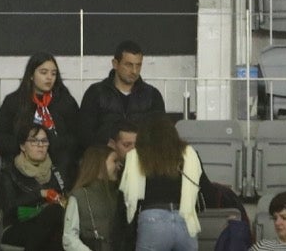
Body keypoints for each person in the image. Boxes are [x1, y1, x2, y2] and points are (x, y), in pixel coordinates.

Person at [117, 116, 201, 251]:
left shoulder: (136, 156)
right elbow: (204, 190)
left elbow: (126, 199)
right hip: (185, 221)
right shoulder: (188, 155)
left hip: (152, 221)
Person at [0, 55, 79, 176]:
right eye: (44, 72)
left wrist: (51, 145)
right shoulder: (13, 101)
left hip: (58, 161)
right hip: (21, 160)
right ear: (31, 75)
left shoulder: (66, 102)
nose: (49, 77)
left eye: (53, 74)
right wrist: (25, 146)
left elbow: (77, 137)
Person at [78, 43, 166, 149]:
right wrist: (106, 147)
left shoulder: (152, 95)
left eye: (138, 65)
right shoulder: (95, 93)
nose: (134, 71)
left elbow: (161, 134)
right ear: (115, 64)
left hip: (142, 158)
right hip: (104, 158)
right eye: (128, 65)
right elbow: (84, 135)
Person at [0, 127, 67, 251]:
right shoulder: (9, 172)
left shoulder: (55, 170)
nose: (40, 145)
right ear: (23, 146)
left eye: (44, 141)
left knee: (57, 230)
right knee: (54, 219)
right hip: (17, 226)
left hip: (49, 225)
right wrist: (41, 194)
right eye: (34, 141)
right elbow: (9, 208)